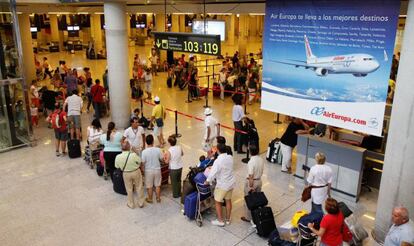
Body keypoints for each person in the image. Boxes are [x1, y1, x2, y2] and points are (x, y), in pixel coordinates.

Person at [205, 143, 236, 227]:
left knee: (218, 201)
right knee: (228, 200)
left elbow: (212, 173)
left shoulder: (218, 161)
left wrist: (207, 181)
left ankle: (220, 220)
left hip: (222, 184)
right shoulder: (230, 157)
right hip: (230, 183)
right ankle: (228, 219)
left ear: (218, 150)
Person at [115, 141, 145, 209]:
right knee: (139, 186)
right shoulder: (133, 155)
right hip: (136, 172)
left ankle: (131, 204)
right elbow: (140, 161)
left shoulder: (118, 157)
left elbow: (117, 166)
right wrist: (135, 152)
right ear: (129, 147)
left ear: (121, 148)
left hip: (126, 173)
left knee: (129, 189)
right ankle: (141, 203)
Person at [241, 144, 264, 223]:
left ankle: (248, 217)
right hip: (259, 181)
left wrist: (250, 186)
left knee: (249, 200)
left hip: (252, 182)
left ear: (250, 152)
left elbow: (251, 175)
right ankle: (256, 213)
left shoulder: (251, 161)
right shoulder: (261, 159)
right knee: (257, 199)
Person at [141, 134, 164, 203]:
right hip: (157, 169)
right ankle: (158, 198)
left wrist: (142, 171)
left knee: (149, 186)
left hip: (148, 171)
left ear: (146, 142)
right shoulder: (158, 150)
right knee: (157, 185)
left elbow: (143, 162)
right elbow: (162, 159)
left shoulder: (144, 152)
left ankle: (150, 199)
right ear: (153, 141)